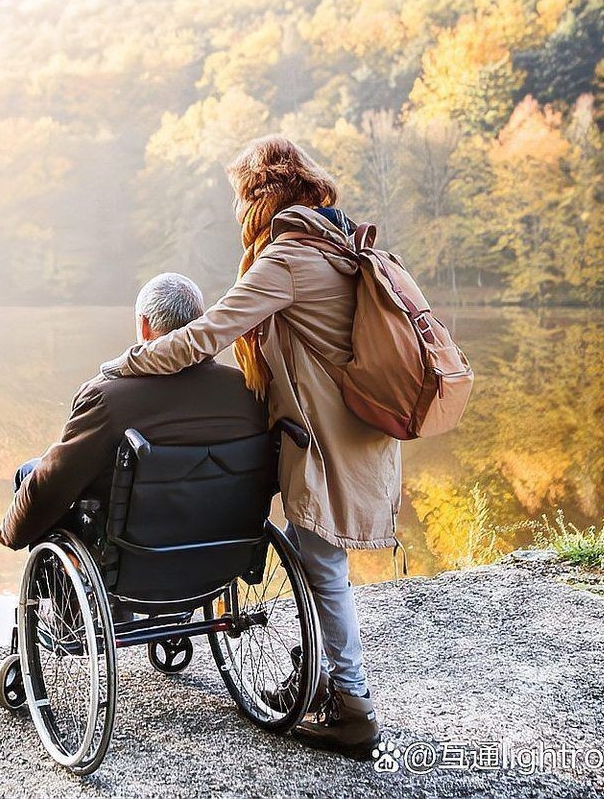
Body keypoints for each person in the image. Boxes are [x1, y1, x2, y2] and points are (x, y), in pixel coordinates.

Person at [100, 135, 398, 757]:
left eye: (240, 199)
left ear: (262, 198)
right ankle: (324, 680)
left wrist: (130, 361)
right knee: (321, 564)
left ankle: (352, 704)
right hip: (359, 434)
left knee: (324, 568)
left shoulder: (288, 259)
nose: (237, 213)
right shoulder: (338, 245)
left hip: (322, 444)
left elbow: (205, 334)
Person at [0, 272, 265, 552]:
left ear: (145, 325)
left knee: (31, 472)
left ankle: (53, 595)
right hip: (221, 548)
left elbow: (55, 482)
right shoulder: (245, 389)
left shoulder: (106, 398)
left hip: (135, 555)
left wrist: (11, 533)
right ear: (199, 324)